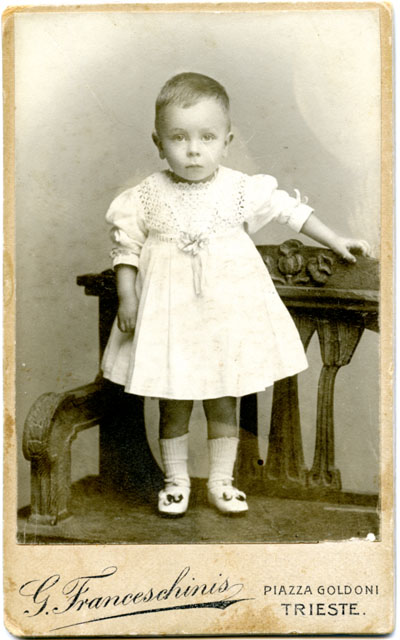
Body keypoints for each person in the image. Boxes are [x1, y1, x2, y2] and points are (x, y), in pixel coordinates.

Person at [101, 72, 370, 517]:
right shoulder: (145, 196)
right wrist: (128, 298)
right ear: (158, 143)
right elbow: (126, 249)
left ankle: (221, 483)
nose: (193, 149)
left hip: (223, 319)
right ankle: (176, 482)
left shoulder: (240, 189)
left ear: (226, 141)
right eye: (179, 137)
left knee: (223, 397)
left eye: (207, 137)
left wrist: (335, 240)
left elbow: (291, 211)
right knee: (174, 400)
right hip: (171, 321)